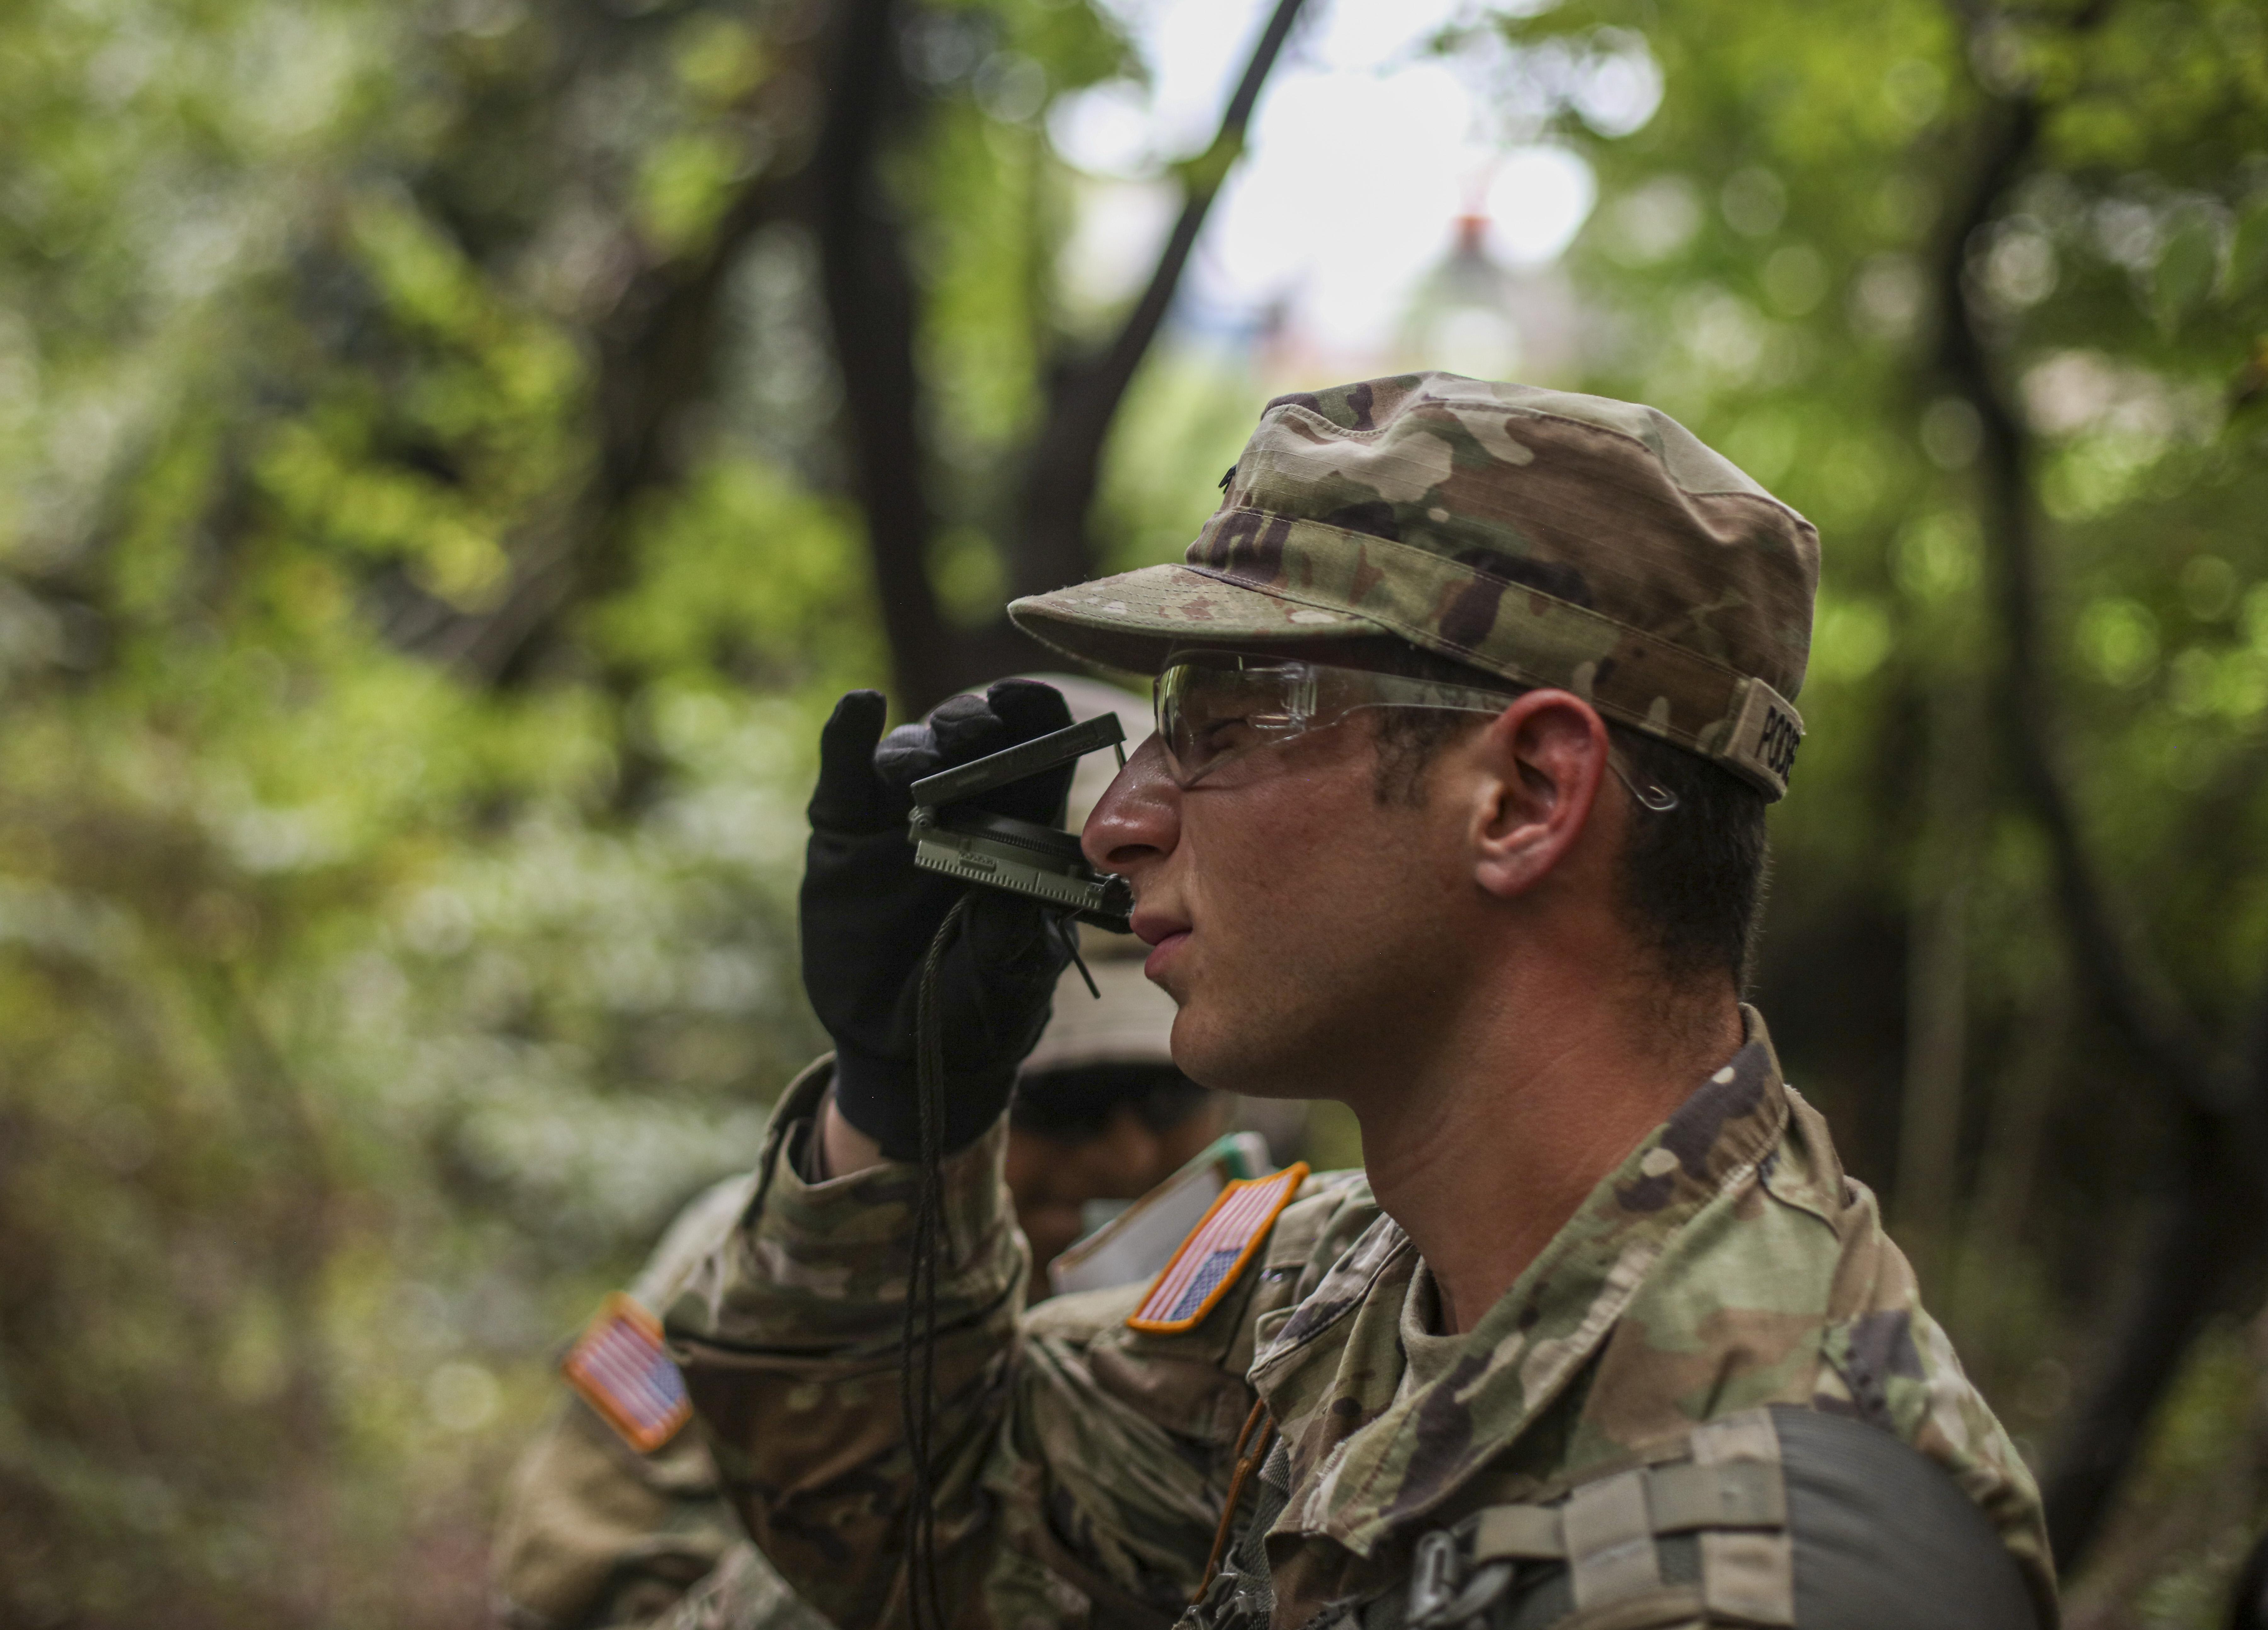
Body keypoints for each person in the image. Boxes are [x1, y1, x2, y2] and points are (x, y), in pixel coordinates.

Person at [664, 375, 2057, 1629]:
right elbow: (927, 1526)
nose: (1118, 823)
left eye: (1219, 728)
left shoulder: (1775, 1531)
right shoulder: (1336, 1288)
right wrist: (902, 1104)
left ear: (1522, 798)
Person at [490, 682, 1238, 1630]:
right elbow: (577, 1597)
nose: (1127, 1151)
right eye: (1067, 1104)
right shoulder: (757, 1272)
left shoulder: (1272, 1276)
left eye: (1167, 1092)